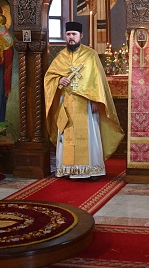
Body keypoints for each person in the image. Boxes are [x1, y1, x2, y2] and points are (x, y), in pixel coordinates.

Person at [44, 21, 124, 179]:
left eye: (74, 34)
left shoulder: (90, 55)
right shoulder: (61, 56)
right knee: (67, 135)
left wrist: (96, 100)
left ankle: (90, 170)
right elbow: (49, 77)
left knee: (89, 135)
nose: (71, 37)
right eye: (68, 35)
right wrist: (59, 80)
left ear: (81, 36)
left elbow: (97, 81)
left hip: (86, 104)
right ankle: (67, 169)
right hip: (66, 103)